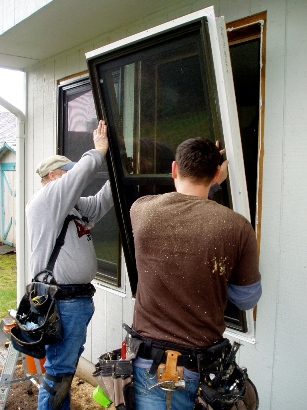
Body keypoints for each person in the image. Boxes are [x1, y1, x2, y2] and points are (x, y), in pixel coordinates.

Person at [129, 137, 262, 410]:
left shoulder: (141, 210)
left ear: (174, 169)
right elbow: (247, 299)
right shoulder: (237, 228)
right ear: (215, 174)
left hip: (148, 365)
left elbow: (186, 212)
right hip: (202, 370)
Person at [26, 120, 112, 410]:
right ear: (53, 176)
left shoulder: (71, 207)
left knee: (63, 369)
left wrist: (121, 171)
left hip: (75, 301)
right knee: (59, 372)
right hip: (61, 303)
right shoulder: (46, 200)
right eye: (68, 174)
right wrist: (98, 150)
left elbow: (101, 203)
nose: (73, 179)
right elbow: (81, 176)